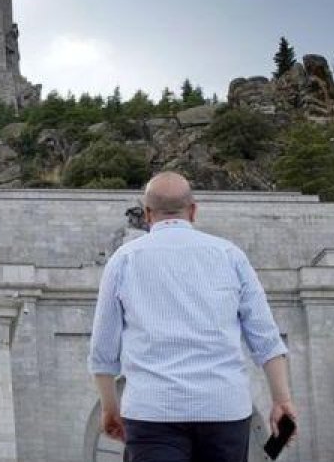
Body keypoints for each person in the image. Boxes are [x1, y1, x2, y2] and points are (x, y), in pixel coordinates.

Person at [88, 172, 298, 462]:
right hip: (224, 410)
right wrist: (282, 400)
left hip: (151, 412)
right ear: (194, 210)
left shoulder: (123, 260)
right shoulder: (230, 255)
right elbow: (265, 339)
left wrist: (110, 408)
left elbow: (103, 349)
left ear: (148, 214)